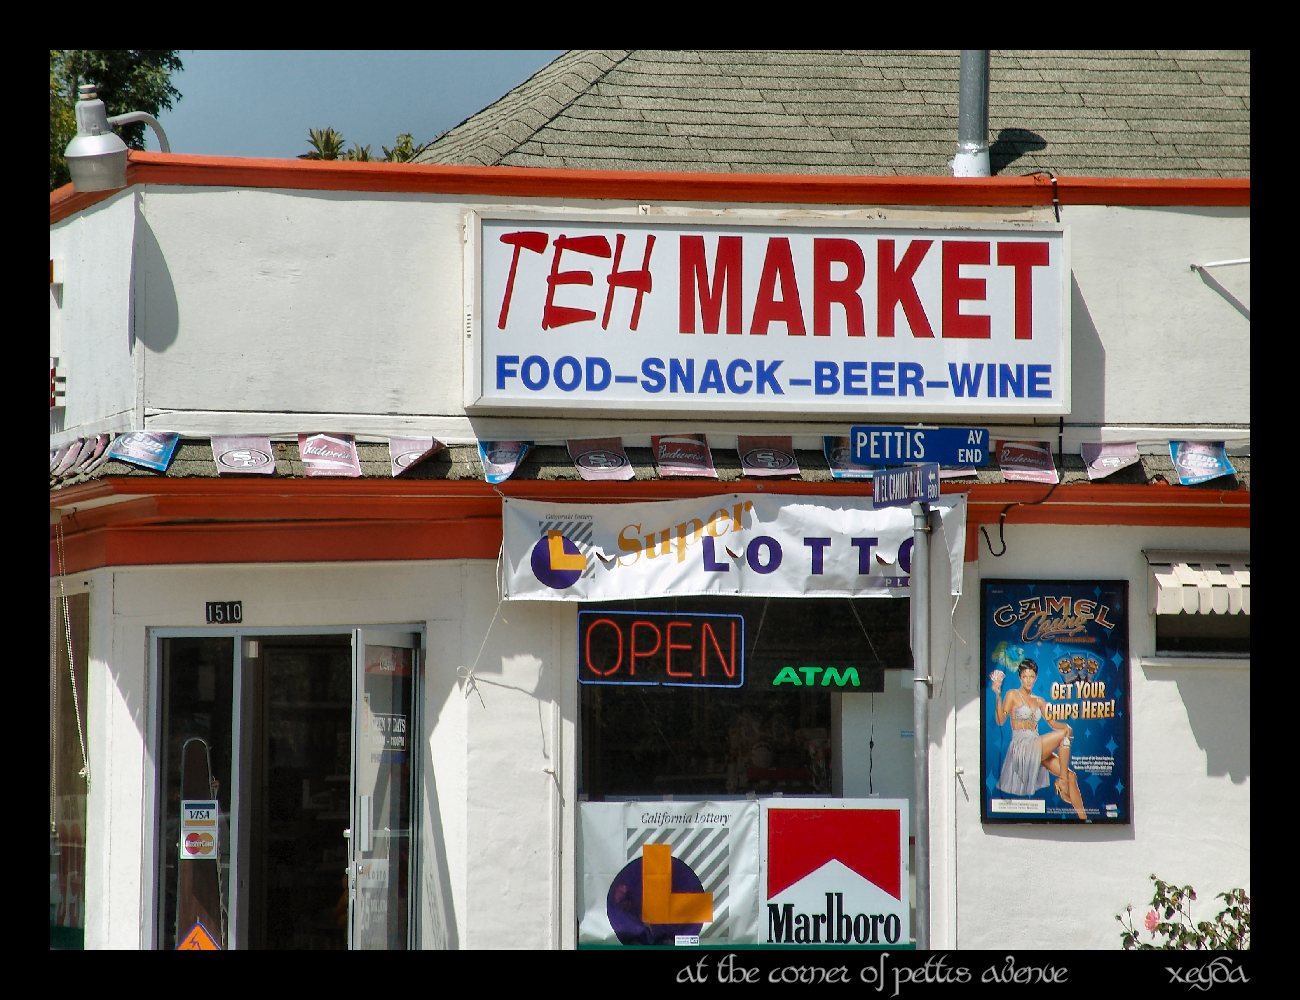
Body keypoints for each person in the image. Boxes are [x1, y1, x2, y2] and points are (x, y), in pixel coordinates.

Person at [991, 659, 1086, 820]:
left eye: (1032, 676)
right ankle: (1061, 782)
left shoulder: (1040, 701)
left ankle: (1084, 818)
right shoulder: (1013, 694)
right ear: (1020, 678)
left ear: (1036, 678)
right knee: (1063, 738)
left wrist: (1065, 725)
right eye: (1025, 676)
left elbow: (1052, 722)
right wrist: (998, 695)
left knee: (1072, 776)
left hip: (1037, 745)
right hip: (1022, 747)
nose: (1028, 680)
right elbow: (1001, 720)